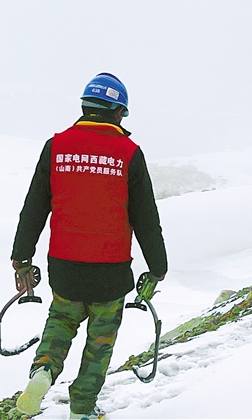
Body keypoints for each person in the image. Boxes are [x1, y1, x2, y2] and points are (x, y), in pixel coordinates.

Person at [11, 73, 168, 420]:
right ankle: (81, 408)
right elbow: (146, 218)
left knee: (61, 321)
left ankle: (43, 371)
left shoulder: (55, 147)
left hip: (64, 266)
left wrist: (22, 257)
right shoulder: (129, 153)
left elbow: (34, 207)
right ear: (117, 111)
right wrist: (158, 267)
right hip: (110, 272)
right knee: (99, 343)